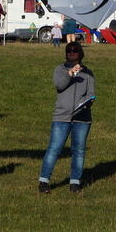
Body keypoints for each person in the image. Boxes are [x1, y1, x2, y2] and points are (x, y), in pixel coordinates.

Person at [39, 41, 96, 194]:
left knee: (79, 151)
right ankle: (44, 181)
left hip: (82, 118)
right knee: (54, 149)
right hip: (61, 117)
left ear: (80, 53)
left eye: (75, 50)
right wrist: (69, 74)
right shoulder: (60, 69)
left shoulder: (88, 73)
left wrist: (87, 102)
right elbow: (59, 85)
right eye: (69, 50)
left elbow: (91, 93)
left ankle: (75, 182)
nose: (72, 53)